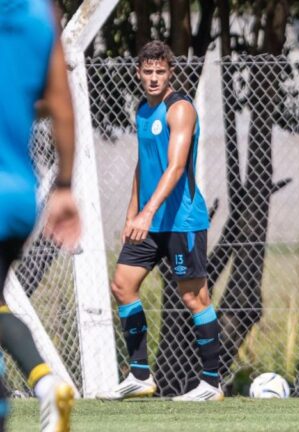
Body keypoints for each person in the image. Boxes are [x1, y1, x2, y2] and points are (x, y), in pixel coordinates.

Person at [96, 41, 221, 402]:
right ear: (138, 73)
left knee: (193, 297)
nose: (153, 78)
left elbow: (176, 166)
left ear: (171, 74)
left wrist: (147, 212)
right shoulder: (141, 110)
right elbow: (143, 163)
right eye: (147, 72)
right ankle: (139, 376)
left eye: (160, 72)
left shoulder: (179, 109)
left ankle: (211, 384)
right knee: (122, 284)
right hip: (149, 220)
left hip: (182, 220)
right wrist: (132, 212)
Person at [0, 1, 80, 430]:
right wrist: (64, 187)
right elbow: (61, 105)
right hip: (18, 195)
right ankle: (46, 384)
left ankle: (46, 385)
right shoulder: (38, 18)